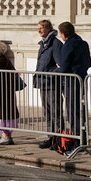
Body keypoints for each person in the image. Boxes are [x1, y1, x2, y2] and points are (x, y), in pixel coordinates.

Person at [55, 21, 91, 153]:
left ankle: (78, 143)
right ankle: (83, 139)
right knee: (81, 111)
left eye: (60, 34)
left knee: (73, 113)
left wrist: (55, 70)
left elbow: (64, 67)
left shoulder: (68, 45)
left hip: (71, 81)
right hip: (82, 78)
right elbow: (89, 63)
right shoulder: (84, 43)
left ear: (64, 34)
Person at [33, 19, 64, 149]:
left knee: (56, 112)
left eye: (42, 28)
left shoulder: (55, 43)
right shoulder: (43, 44)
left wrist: (50, 74)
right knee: (47, 112)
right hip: (43, 83)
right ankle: (50, 137)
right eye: (38, 28)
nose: (39, 30)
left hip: (52, 83)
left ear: (48, 29)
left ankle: (59, 139)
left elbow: (60, 65)